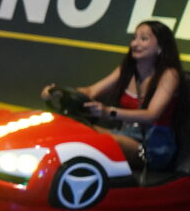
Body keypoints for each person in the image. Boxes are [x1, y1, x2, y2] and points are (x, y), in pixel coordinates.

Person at [41, 20, 185, 169]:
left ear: (160, 47)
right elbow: (91, 91)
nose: (135, 44)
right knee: (77, 129)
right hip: (124, 133)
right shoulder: (127, 70)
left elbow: (151, 115)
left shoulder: (169, 74)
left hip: (153, 144)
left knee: (100, 142)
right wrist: (58, 92)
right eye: (134, 38)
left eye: (144, 39)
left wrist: (108, 112)